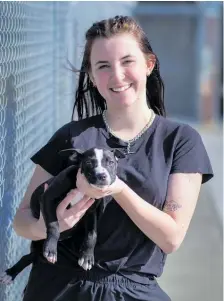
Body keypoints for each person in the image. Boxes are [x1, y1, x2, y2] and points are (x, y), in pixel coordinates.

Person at [13, 15, 213, 301]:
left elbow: (171, 238)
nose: (117, 76)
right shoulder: (73, 138)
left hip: (134, 289)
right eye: (103, 66)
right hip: (58, 287)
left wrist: (116, 188)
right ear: (92, 77)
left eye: (127, 61)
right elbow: (21, 220)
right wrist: (50, 225)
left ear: (149, 64)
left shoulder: (180, 140)